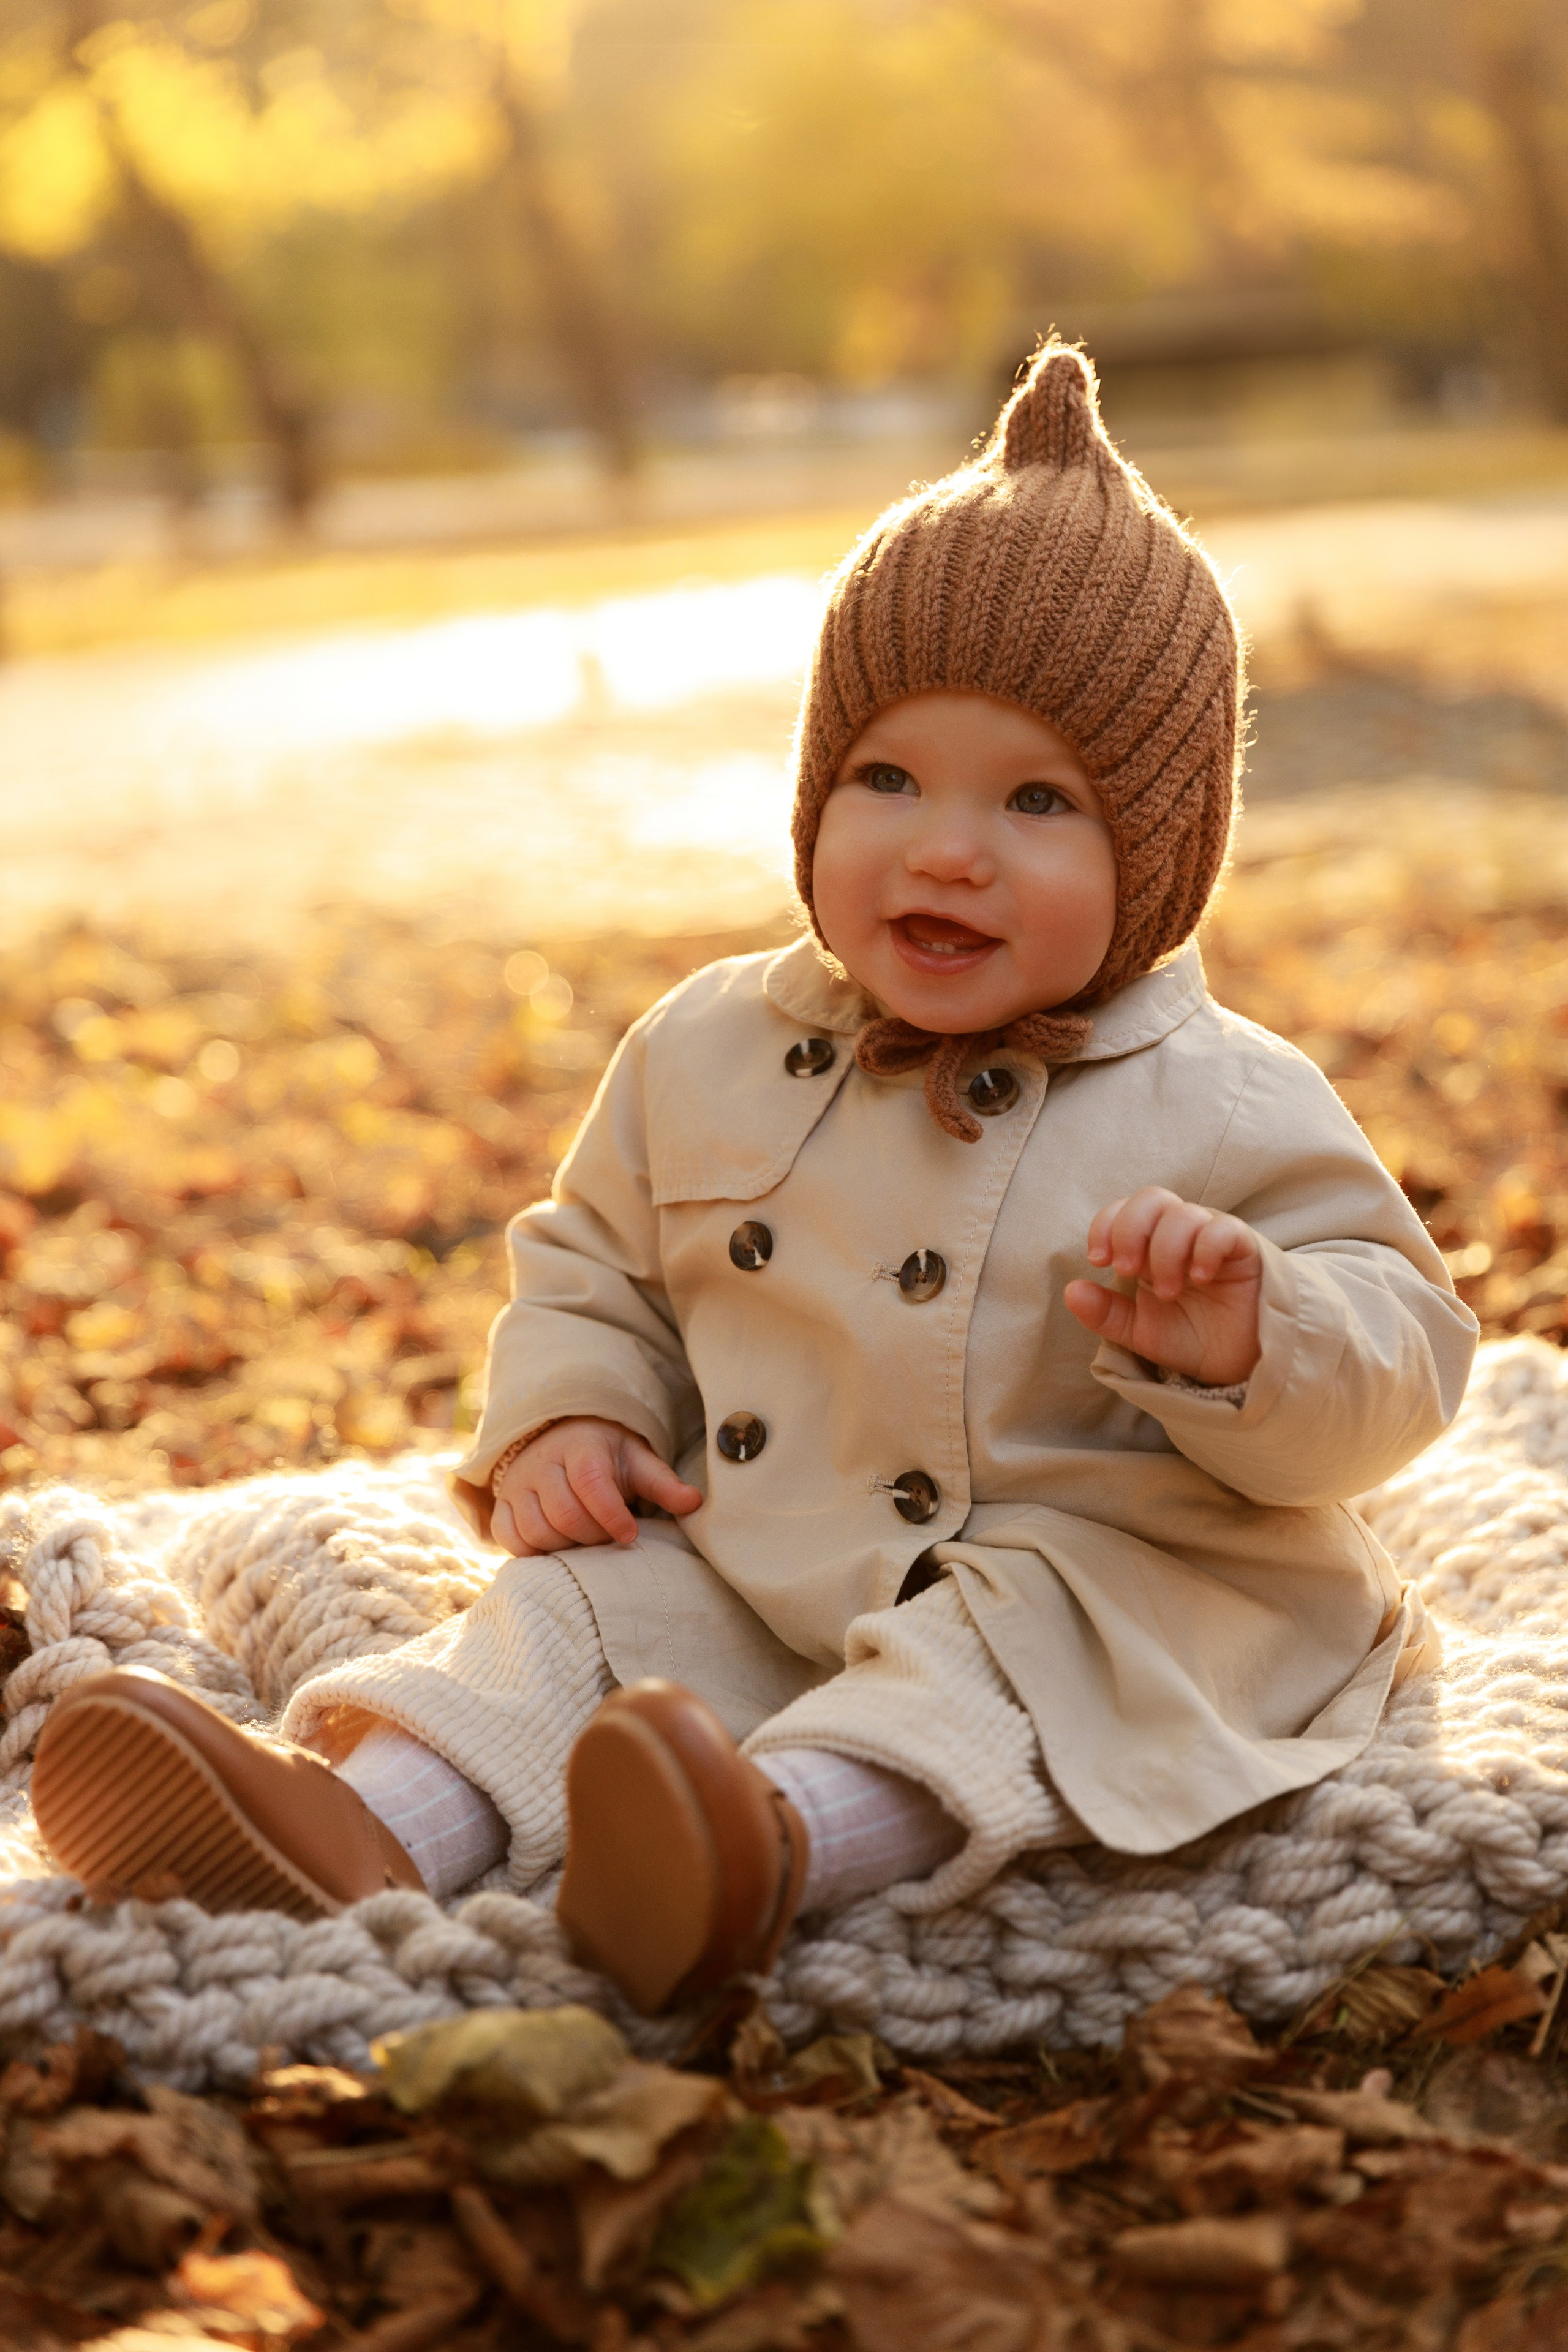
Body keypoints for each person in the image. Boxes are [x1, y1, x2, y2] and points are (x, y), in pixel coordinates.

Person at [32, 346, 1478, 2019]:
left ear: (1160, 853)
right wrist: (570, 1418)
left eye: (1037, 801)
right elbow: (594, 1264)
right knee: (575, 1613)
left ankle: (760, 1847)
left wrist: (1252, 1331)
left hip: (1114, 1578)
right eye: (888, 779)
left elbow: (1401, 1361)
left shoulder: (1227, 1097)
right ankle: (361, 1827)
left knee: (993, 1674)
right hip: (765, 1552)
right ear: (812, 791)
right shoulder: (711, 1045)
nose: (948, 846)